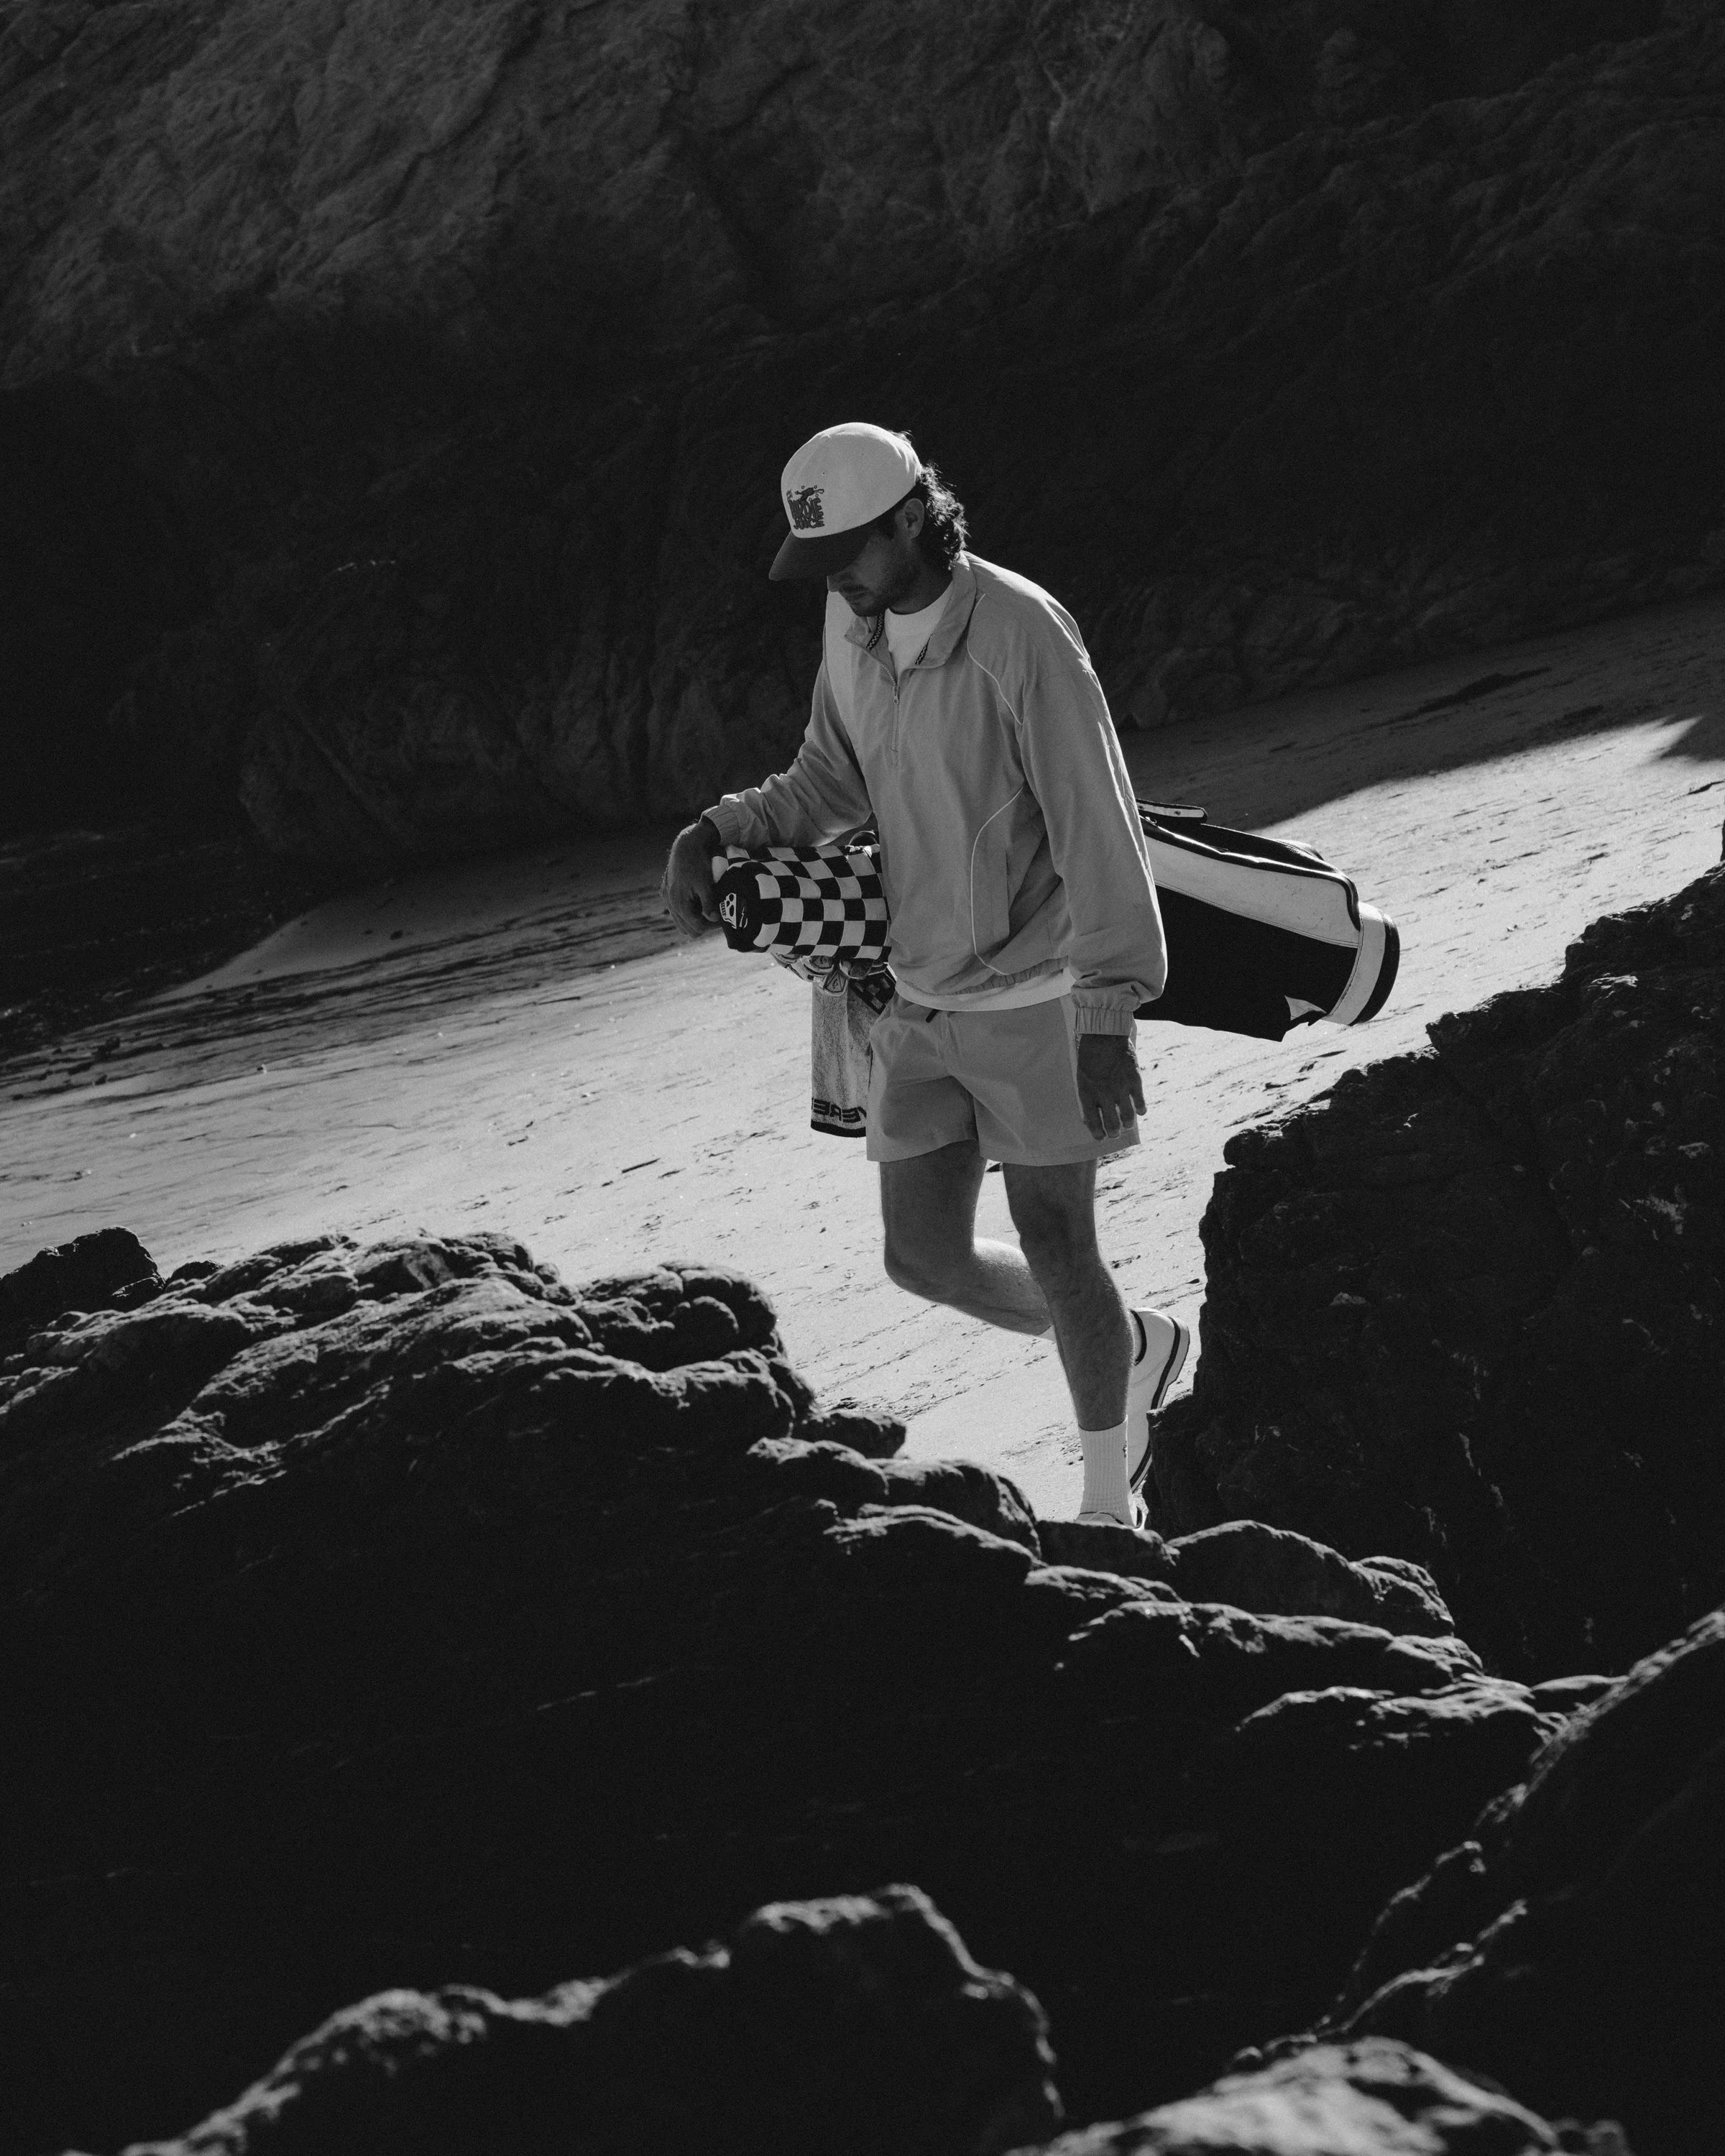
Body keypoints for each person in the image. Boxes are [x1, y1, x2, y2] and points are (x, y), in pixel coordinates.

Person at [661, 422, 1187, 1525]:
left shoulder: (1024, 635)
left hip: (1042, 990)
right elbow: (827, 778)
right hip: (915, 993)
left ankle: (1106, 1505)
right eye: (820, 565)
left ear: (913, 518)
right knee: (923, 1258)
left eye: (851, 552)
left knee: (1057, 1239)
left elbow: (1101, 828)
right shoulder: (850, 621)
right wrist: (717, 830)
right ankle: (1130, 1344)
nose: (839, 582)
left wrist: (1108, 1015)